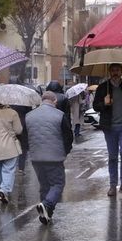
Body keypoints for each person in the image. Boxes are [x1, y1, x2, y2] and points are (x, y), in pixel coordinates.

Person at [92, 64, 122, 197]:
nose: (115, 73)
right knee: (113, 156)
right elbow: (95, 106)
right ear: (109, 72)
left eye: (117, 70)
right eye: (113, 70)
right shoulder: (103, 87)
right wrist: (104, 103)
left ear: (121, 72)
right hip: (109, 128)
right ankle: (113, 185)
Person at [25, 91, 73, 224]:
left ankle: (46, 215)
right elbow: (68, 136)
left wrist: (30, 150)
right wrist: (65, 151)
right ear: (55, 101)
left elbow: (25, 136)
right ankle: (46, 205)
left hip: (36, 157)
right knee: (57, 184)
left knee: (44, 186)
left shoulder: (29, 116)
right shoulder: (59, 115)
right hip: (54, 156)